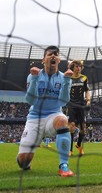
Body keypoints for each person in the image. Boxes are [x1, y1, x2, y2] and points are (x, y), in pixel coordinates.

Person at [16, 45, 74, 177]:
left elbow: (63, 102)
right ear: (43, 60)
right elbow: (31, 101)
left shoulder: (64, 77)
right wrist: (35, 79)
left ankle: (63, 165)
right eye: (50, 54)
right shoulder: (34, 75)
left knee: (63, 120)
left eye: (56, 54)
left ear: (59, 60)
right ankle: (24, 159)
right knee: (23, 162)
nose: (53, 56)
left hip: (53, 115)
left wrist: (66, 82)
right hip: (35, 118)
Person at [66, 60, 91, 156]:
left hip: (81, 105)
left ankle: (79, 144)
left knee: (83, 129)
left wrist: (88, 100)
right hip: (71, 105)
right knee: (71, 127)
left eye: (80, 66)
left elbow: (87, 90)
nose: (78, 68)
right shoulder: (68, 78)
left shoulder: (84, 78)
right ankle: (70, 150)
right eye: (76, 66)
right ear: (73, 67)